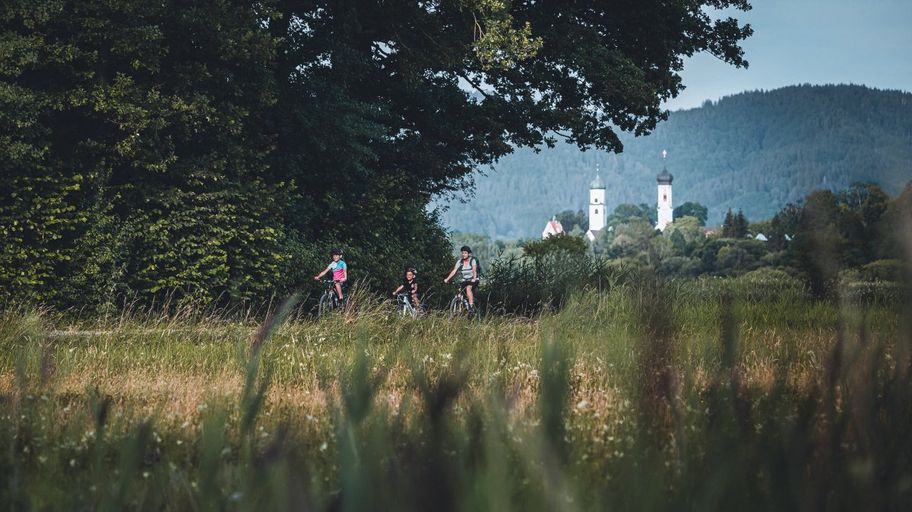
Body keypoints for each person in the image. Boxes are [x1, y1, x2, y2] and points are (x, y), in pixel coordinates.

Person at [444, 246, 479, 312]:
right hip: (465, 280)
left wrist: (474, 278)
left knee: (468, 288)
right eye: (462, 253)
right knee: (459, 291)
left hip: (473, 280)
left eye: (465, 253)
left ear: (469, 254)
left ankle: (471, 306)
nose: (463, 254)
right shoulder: (460, 262)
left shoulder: (472, 260)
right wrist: (447, 279)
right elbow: (454, 271)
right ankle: (460, 305)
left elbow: (474, 270)